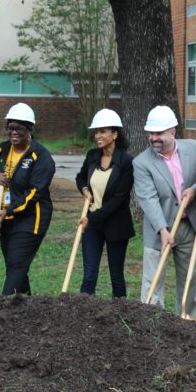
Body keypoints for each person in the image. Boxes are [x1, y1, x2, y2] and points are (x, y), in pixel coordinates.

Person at [0, 103, 55, 296]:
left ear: (29, 129)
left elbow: (34, 193)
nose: (14, 132)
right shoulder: (0, 151)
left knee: (17, 263)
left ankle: (4, 305)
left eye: (19, 128)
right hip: (5, 219)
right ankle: (26, 307)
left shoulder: (41, 157)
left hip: (31, 218)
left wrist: (9, 210)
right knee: (16, 266)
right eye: (10, 127)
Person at [133, 106, 196, 317]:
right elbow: (149, 199)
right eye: (151, 133)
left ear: (172, 132)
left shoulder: (194, 148)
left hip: (188, 225)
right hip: (158, 229)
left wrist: (194, 189)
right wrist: (163, 230)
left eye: (159, 133)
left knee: (190, 279)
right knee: (152, 283)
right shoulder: (141, 162)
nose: (153, 138)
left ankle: (187, 322)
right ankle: (154, 325)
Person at [75, 109, 134, 298]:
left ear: (115, 134)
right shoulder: (92, 155)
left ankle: (121, 313)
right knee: (89, 275)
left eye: (103, 131)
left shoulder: (126, 162)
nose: (98, 136)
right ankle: (84, 312)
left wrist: (91, 218)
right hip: (92, 226)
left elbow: (119, 199)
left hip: (116, 224)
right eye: (96, 132)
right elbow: (80, 178)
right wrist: (84, 188)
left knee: (116, 275)